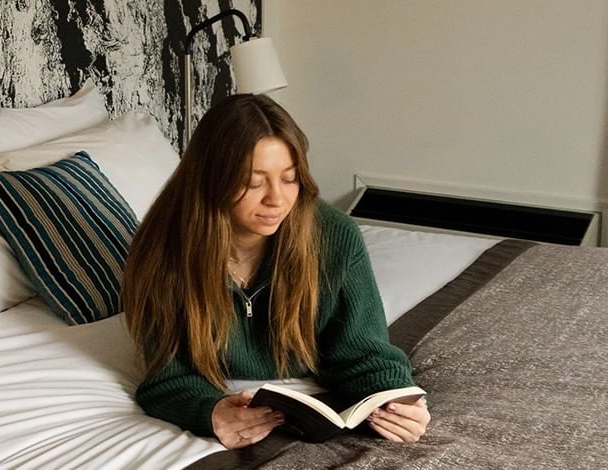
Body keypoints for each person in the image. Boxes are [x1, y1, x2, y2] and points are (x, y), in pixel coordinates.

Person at [121, 94, 429, 449]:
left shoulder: (334, 237)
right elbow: (167, 378)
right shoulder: (161, 253)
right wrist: (210, 411)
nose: (277, 199)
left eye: (290, 179)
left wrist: (395, 399)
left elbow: (364, 351)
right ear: (211, 180)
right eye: (254, 183)